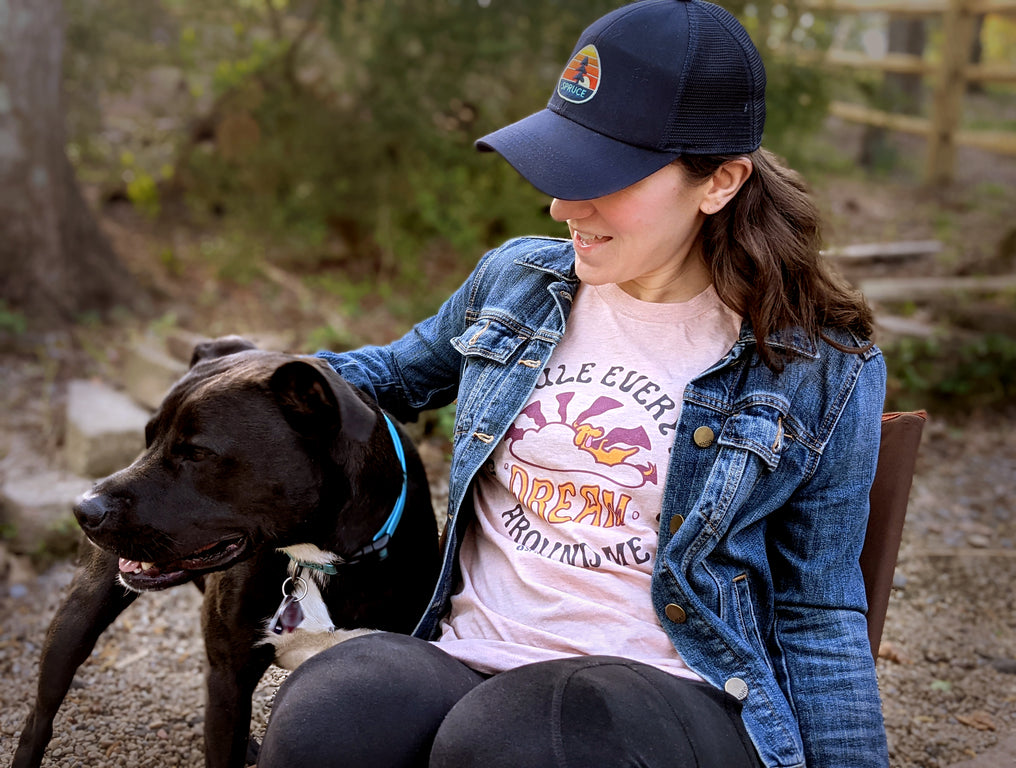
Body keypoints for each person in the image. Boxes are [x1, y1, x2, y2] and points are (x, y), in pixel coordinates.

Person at [257, 1, 888, 766]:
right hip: (469, 654)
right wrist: (248, 384)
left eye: (602, 177)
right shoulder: (518, 280)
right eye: (561, 166)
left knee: (512, 735)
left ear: (720, 181)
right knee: (331, 715)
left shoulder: (816, 363)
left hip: (673, 694)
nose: (562, 206)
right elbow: (389, 377)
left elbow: (817, 610)